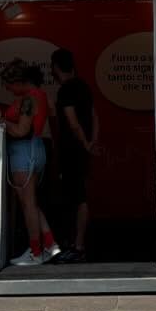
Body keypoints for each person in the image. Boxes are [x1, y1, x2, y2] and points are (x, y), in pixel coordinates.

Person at [0, 58, 56, 267]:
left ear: (19, 81)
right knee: (30, 203)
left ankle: (36, 252)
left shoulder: (28, 99)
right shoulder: (39, 95)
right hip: (35, 149)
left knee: (28, 205)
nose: (8, 89)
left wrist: (2, 122)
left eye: (9, 85)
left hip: (23, 152)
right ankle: (49, 245)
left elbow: (21, 130)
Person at [50, 47, 96, 263]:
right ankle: (77, 245)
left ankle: (77, 246)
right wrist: (92, 142)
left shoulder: (65, 90)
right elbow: (95, 117)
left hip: (71, 150)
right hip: (82, 150)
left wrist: (84, 143)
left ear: (56, 67)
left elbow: (72, 122)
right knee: (80, 196)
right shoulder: (84, 87)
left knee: (76, 197)